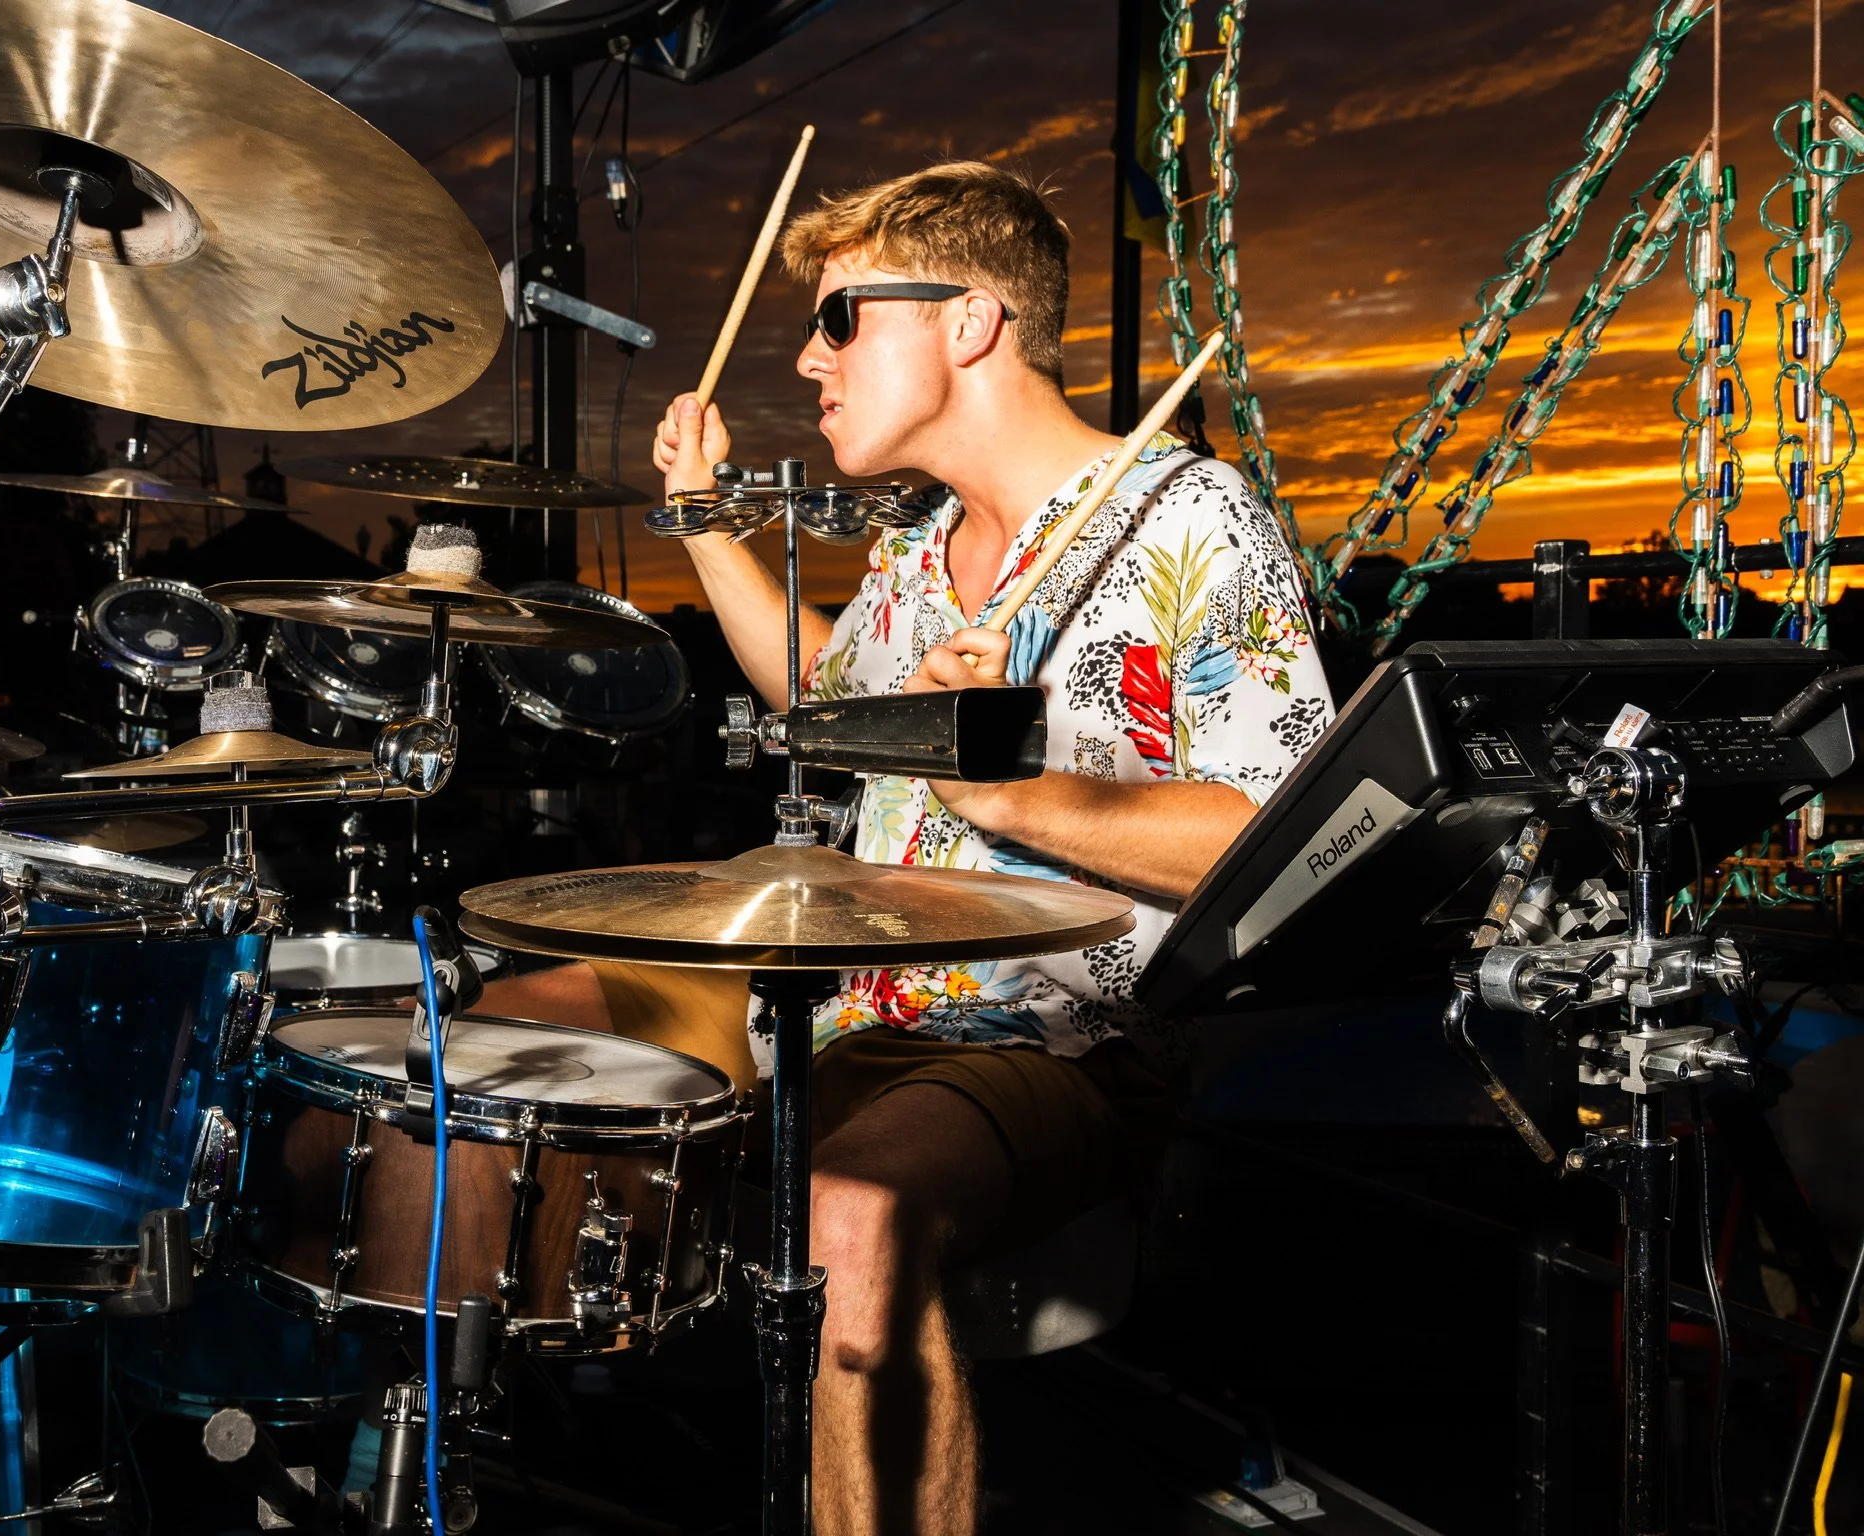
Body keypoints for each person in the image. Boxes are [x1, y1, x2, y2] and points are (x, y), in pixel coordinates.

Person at [481, 161, 1333, 1534]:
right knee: (518, 1028)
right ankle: (529, 1430)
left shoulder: (1185, 520)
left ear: (970, 320)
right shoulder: (920, 554)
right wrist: (704, 524)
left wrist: (1011, 797)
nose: (813, 361)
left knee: (850, 1213)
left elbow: (1282, 834)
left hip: (1056, 1038)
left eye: (841, 319)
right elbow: (825, 702)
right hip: (840, 996)